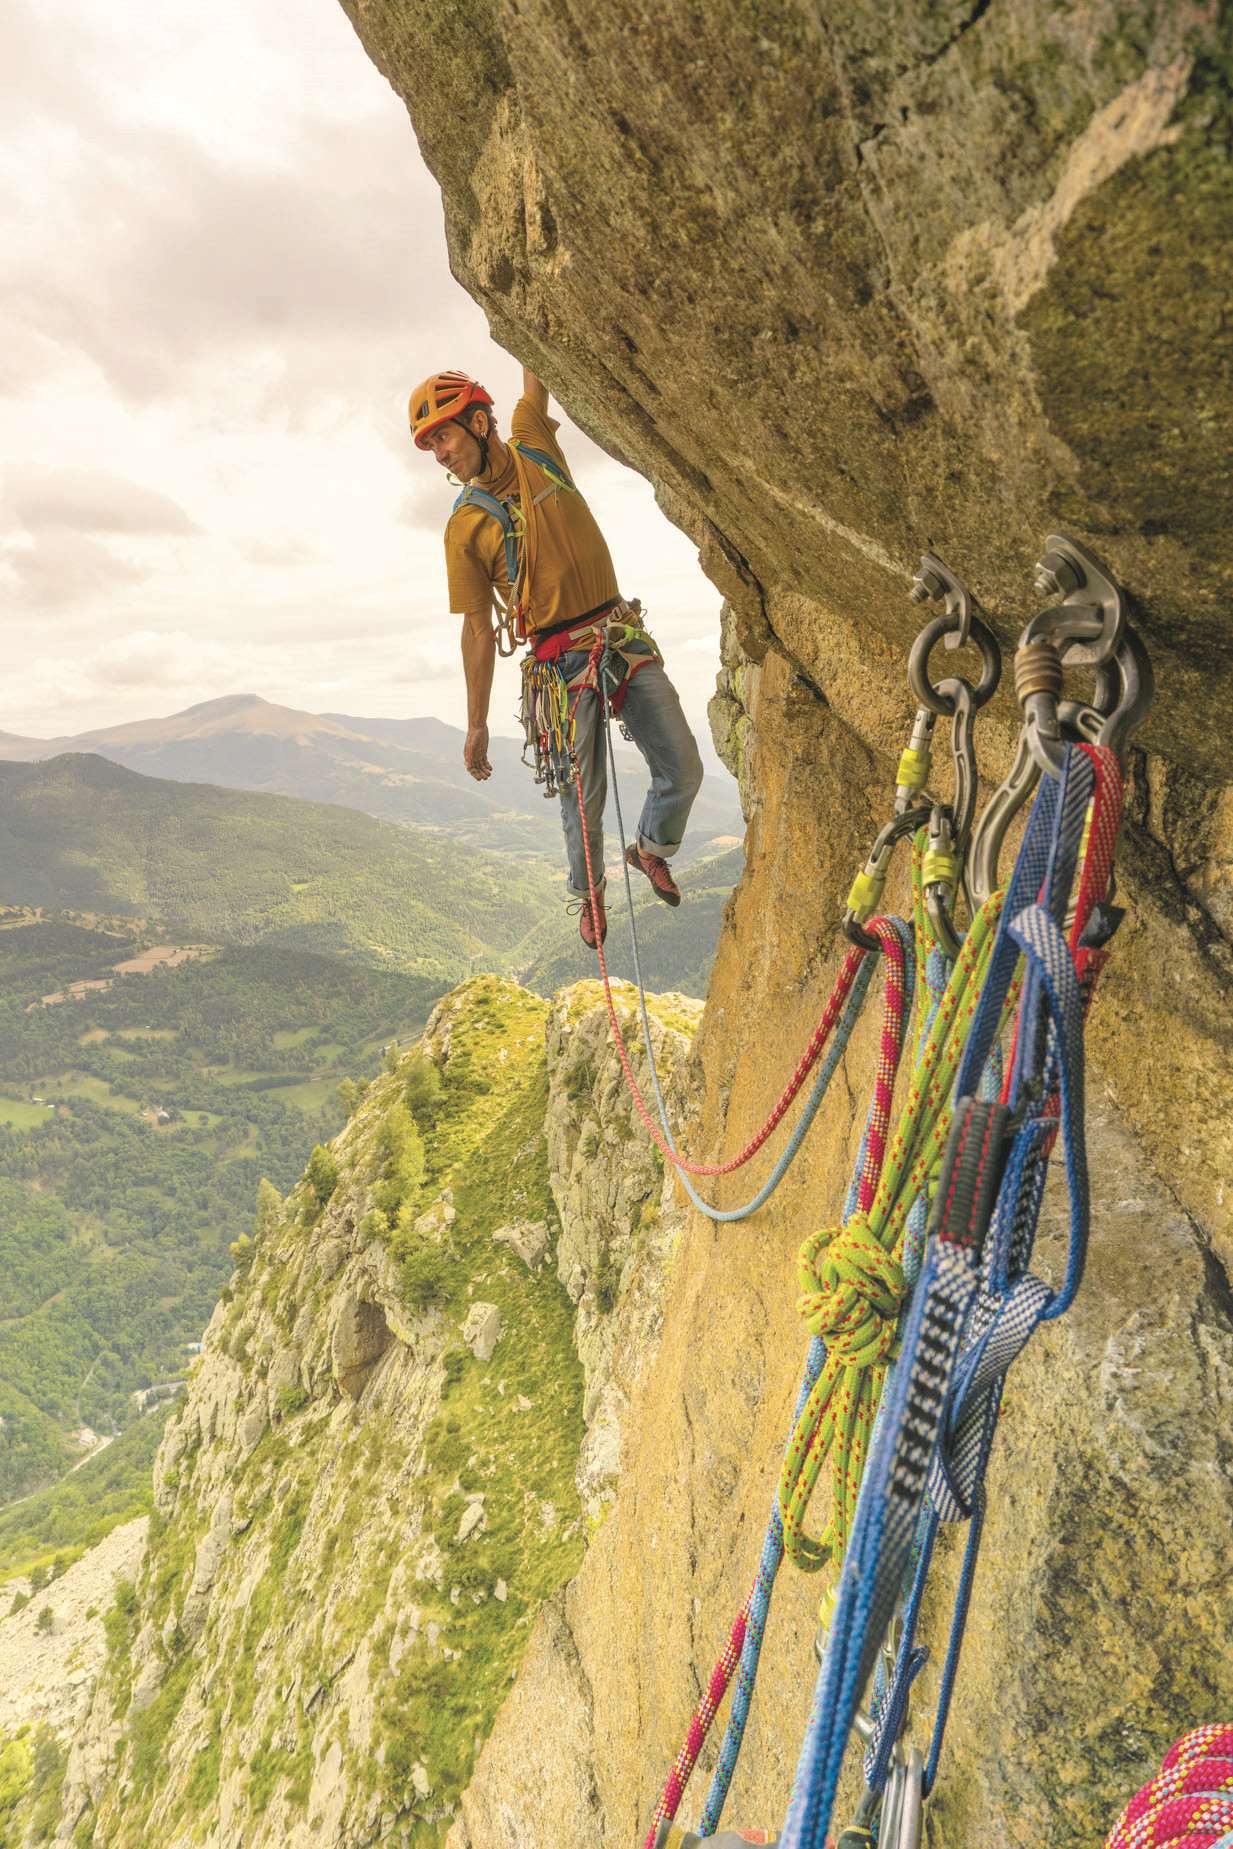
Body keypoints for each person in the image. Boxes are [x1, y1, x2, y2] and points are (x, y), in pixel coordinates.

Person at [409, 366, 704, 949]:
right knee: (580, 800)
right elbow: (476, 630)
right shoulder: (465, 527)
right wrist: (475, 724)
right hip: (559, 664)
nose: (439, 454)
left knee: (684, 766)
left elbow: (535, 371)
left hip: (619, 634)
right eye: (430, 445)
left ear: (478, 422)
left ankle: (650, 848)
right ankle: (589, 893)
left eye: (443, 436)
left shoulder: (533, 442)